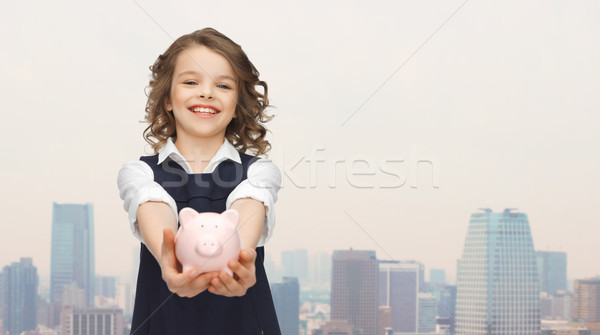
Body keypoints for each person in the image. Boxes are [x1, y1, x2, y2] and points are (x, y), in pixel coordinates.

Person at [117, 28, 281, 334]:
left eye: (223, 85)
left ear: (236, 106)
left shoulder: (260, 172)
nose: (206, 92)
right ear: (167, 99)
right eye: (191, 81)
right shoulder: (139, 173)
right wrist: (171, 261)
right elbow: (154, 205)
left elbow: (247, 208)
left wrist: (233, 263)